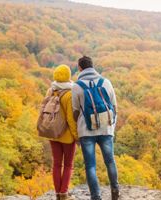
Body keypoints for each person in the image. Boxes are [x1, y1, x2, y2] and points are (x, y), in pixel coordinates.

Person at [72, 56, 119, 200]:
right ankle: (115, 190)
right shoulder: (106, 82)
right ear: (93, 66)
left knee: (90, 165)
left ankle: (96, 196)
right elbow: (114, 107)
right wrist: (111, 125)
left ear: (80, 68)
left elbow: (75, 111)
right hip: (105, 129)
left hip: (86, 131)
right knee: (110, 161)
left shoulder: (77, 86)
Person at [46, 65, 78, 200]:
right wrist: (77, 136)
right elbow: (71, 119)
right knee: (68, 164)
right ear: (68, 76)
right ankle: (64, 193)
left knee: (57, 164)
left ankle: (57, 193)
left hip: (53, 133)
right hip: (67, 136)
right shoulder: (70, 94)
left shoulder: (50, 90)